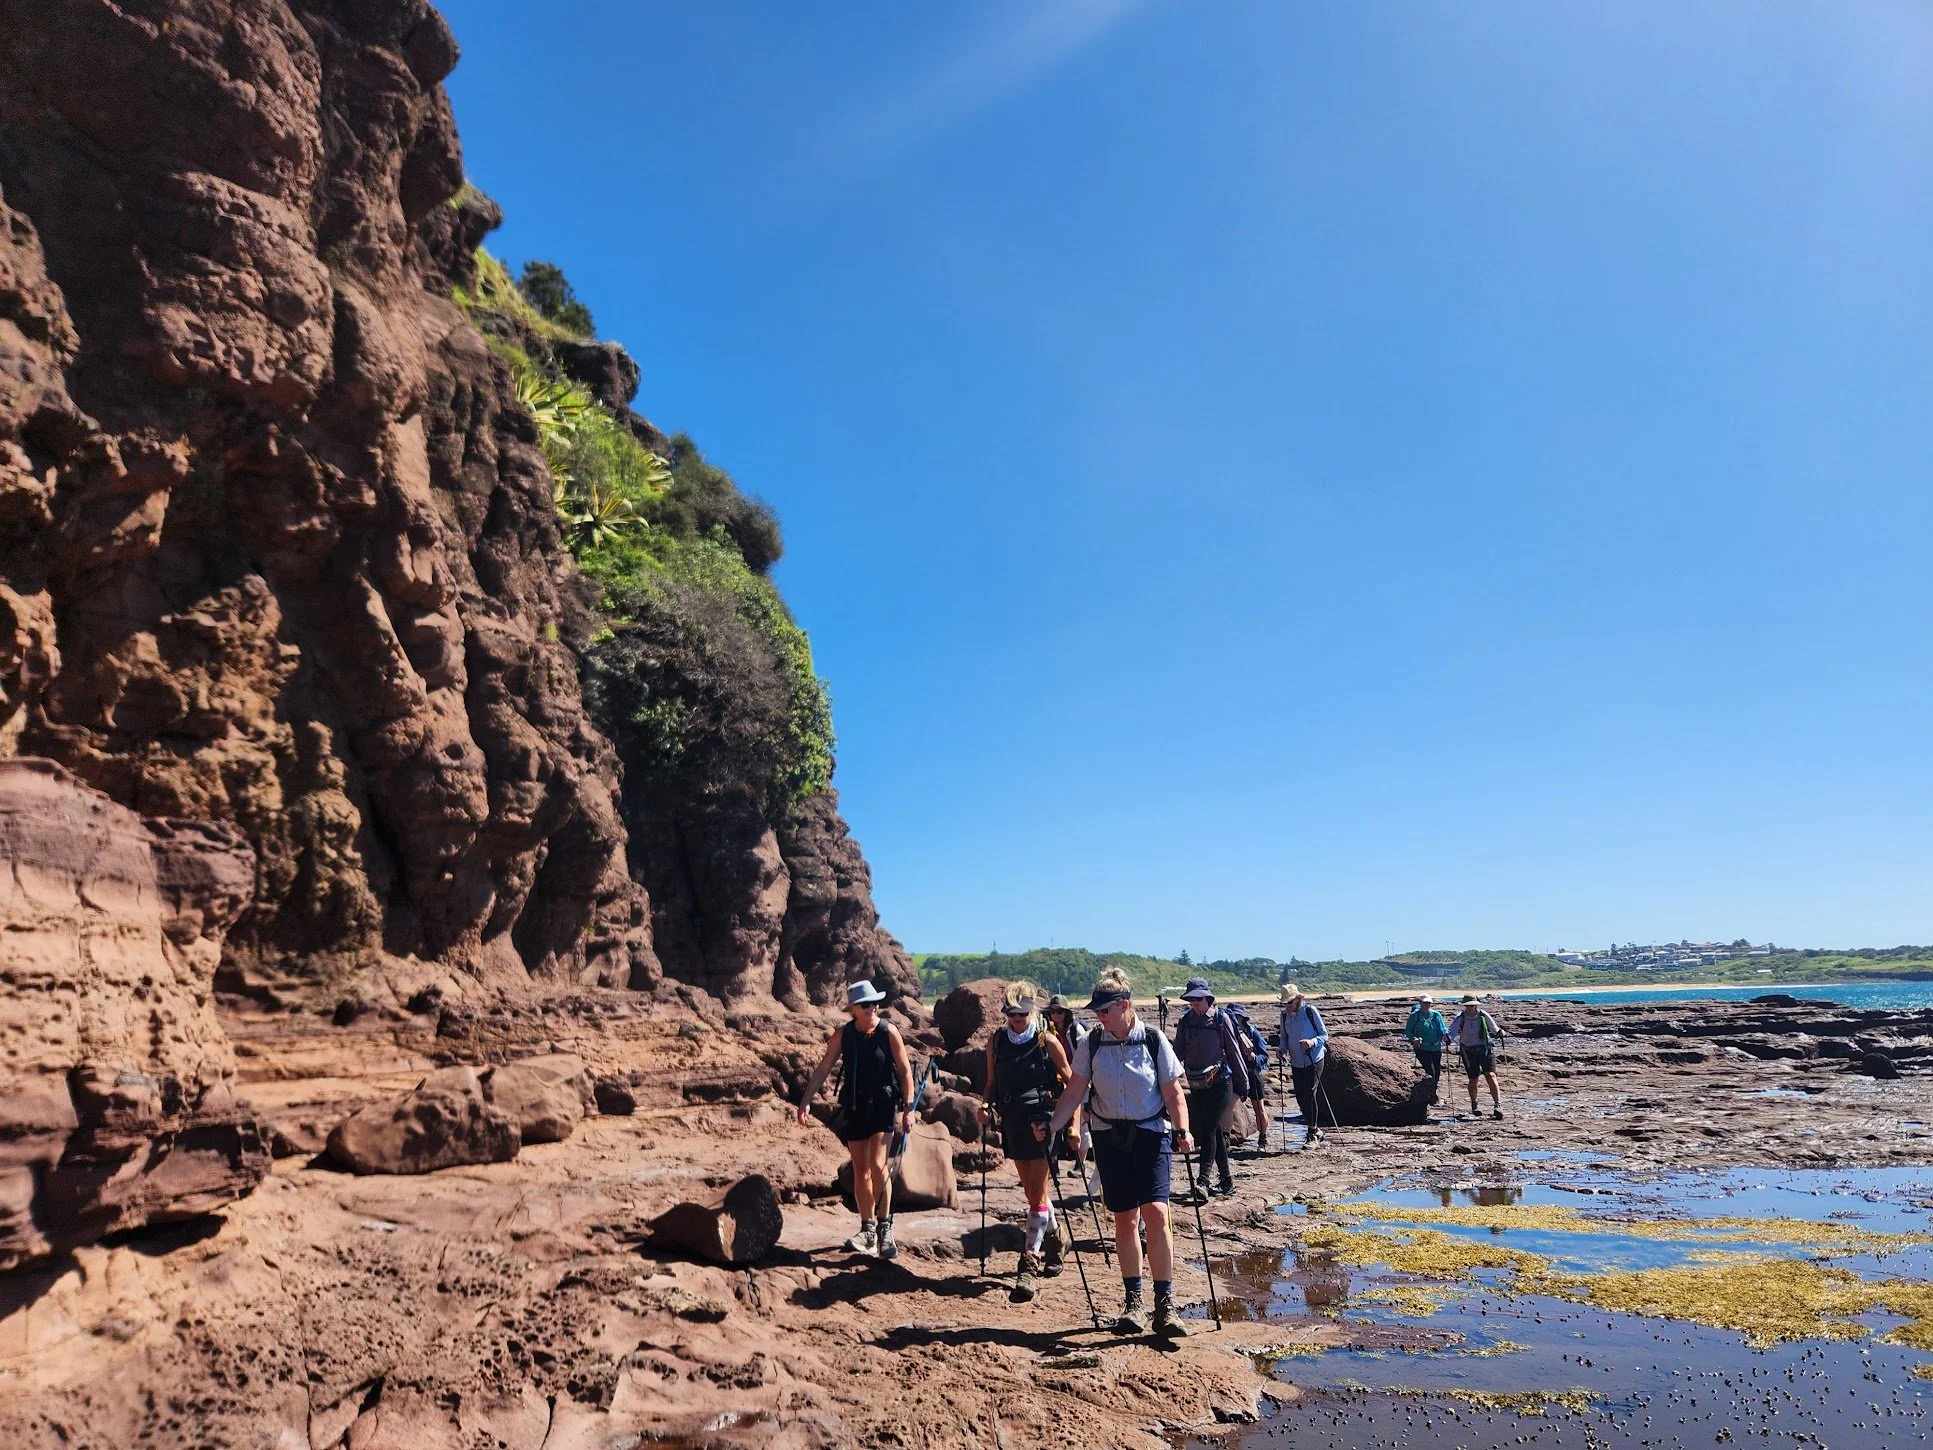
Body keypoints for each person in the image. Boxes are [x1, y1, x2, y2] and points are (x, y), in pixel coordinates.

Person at [1047, 966, 1194, 1338]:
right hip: (1110, 1137)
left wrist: (1183, 1130)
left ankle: (1165, 1305)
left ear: (1125, 1005)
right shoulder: (1092, 1043)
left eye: (1105, 1010)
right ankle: (1133, 1302)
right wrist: (1051, 1127)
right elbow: (1075, 1091)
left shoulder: (1154, 1040)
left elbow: (1173, 1092)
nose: (1100, 1017)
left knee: (1157, 1213)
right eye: (1096, 1012)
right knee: (1125, 1219)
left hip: (1151, 1135)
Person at [795, 981, 916, 1258]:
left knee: (877, 1164)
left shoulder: (889, 1032)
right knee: (860, 1169)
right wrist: (805, 1101)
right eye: (866, 1004)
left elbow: (905, 1071)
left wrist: (909, 1108)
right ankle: (867, 1229)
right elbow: (824, 1067)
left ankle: (886, 1229)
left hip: (883, 1106)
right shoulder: (843, 1034)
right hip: (854, 1105)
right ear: (853, 1010)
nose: (872, 1008)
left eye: (875, 1003)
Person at [981, 981, 1074, 1303]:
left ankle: (1028, 1263)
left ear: (1032, 1010)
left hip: (1042, 1123)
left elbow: (1071, 1083)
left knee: (1035, 1197)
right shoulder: (996, 1041)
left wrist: (1070, 1125)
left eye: (1022, 1014)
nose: (1017, 1019)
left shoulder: (1046, 1041)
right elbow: (991, 1083)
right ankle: (1057, 1239)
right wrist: (984, 1106)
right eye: (1012, 1014)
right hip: (1013, 1122)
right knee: (1034, 1192)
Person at [1171, 978, 1252, 1199]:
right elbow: (1177, 1053)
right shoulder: (1186, 1021)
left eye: (1198, 999)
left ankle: (1203, 1182)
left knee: (1207, 1131)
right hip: (1197, 1084)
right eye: (1191, 1000)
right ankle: (1227, 1181)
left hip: (1220, 1084)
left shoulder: (1220, 1019)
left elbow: (1234, 1052)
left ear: (1208, 998)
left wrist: (1243, 1082)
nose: (1194, 1004)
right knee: (1213, 1131)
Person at [1279, 983, 1328, 1146]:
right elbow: (1284, 1038)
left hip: (1314, 1058)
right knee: (1300, 1097)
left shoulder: (1310, 1011)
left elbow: (1324, 1035)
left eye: (1290, 1003)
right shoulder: (1284, 1016)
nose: (1288, 1006)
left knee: (1309, 1092)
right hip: (1296, 1061)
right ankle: (1316, 1130)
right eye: (1285, 1003)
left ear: (1298, 1000)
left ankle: (1312, 1132)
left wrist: (1312, 1042)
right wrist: (1282, 1050)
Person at [1044, 994, 1088, 1160]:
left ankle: (1081, 1161)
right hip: (1057, 1082)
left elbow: (1084, 1055)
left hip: (1079, 1079)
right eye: (1053, 1011)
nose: (1055, 1015)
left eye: (1059, 1011)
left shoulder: (1076, 1030)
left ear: (1066, 1013)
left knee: (1082, 1122)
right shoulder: (1047, 1032)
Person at [1223, 1000, 1272, 1148]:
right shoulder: (1228, 1033)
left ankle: (1263, 1137)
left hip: (1252, 1072)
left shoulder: (1252, 1032)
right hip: (1236, 1074)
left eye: (1236, 1017)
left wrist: (1255, 1058)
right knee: (1228, 1105)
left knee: (1259, 1107)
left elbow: (1265, 1055)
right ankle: (1225, 1138)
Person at [1450, 994, 1504, 1119]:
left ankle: (1497, 1105)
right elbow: (1452, 1033)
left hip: (1485, 1048)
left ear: (1476, 1005)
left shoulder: (1483, 1015)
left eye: (1472, 1005)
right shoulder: (1460, 1017)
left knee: (1491, 1075)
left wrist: (1500, 1032)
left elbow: (1494, 1028)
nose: (1470, 1008)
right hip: (1468, 1051)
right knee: (1473, 1078)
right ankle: (1474, 1103)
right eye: (1468, 1006)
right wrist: (1447, 1038)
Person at [1404, 994, 1450, 1085]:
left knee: (1437, 1073)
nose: (1427, 1005)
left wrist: (1445, 1035)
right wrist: (1414, 1039)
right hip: (1422, 1048)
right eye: (1425, 1003)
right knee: (1430, 1071)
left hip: (1436, 1048)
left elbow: (1443, 1027)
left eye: (1429, 1003)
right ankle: (1431, 1093)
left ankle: (1433, 1093)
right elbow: (1408, 1031)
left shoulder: (1436, 1015)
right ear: (1420, 1003)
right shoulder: (1414, 1016)